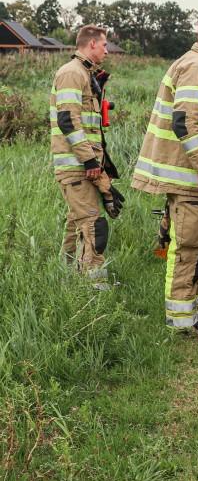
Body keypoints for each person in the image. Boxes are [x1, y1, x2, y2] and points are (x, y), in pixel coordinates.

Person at [132, 11, 198, 333]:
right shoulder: (196, 66)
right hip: (191, 174)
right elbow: (183, 121)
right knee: (189, 244)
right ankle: (181, 320)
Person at [50, 25, 117, 289]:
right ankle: (93, 285)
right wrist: (89, 161)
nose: (107, 50)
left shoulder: (85, 73)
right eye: (104, 45)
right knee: (92, 223)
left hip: (85, 164)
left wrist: (100, 165)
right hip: (76, 165)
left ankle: (67, 276)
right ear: (91, 44)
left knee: (75, 222)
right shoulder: (71, 73)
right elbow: (68, 121)